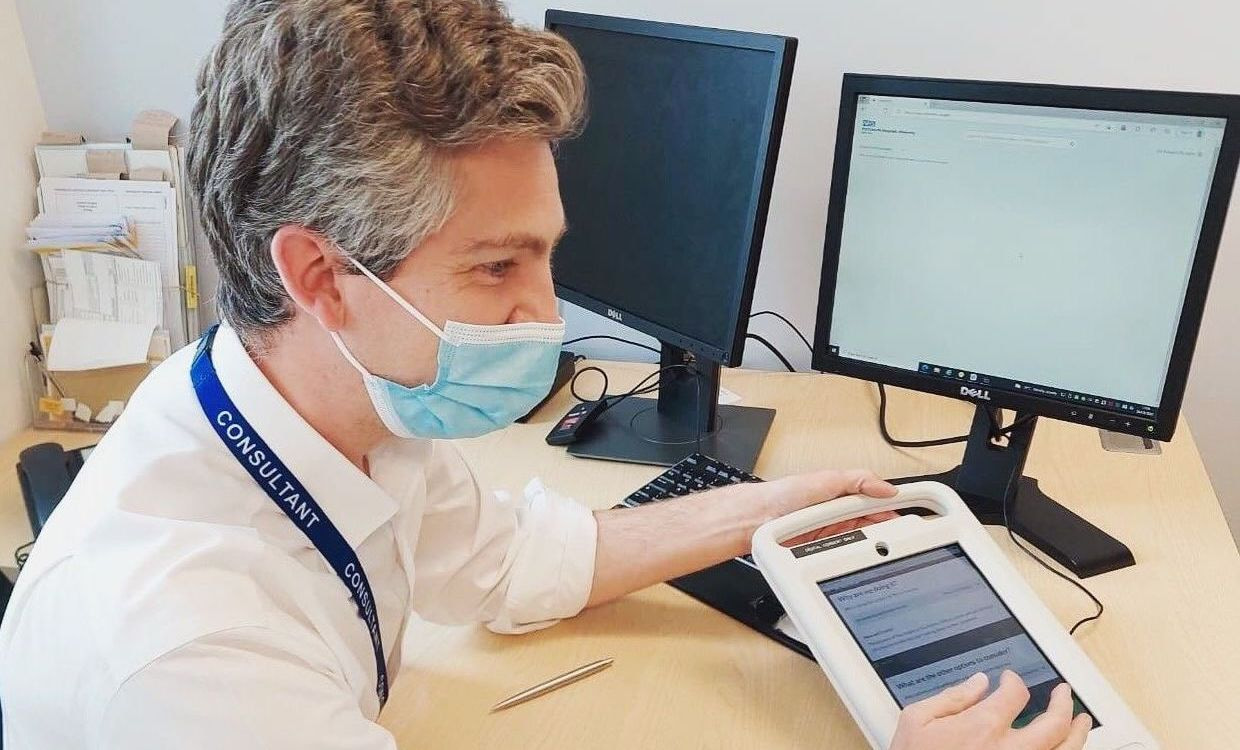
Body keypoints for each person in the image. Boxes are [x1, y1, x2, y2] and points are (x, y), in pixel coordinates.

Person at [0, 2, 1091, 748]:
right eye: (495, 266)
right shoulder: (184, 656)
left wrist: (776, 508)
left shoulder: (325, 400)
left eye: (545, 253)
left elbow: (514, 561)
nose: (542, 314)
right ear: (321, 275)